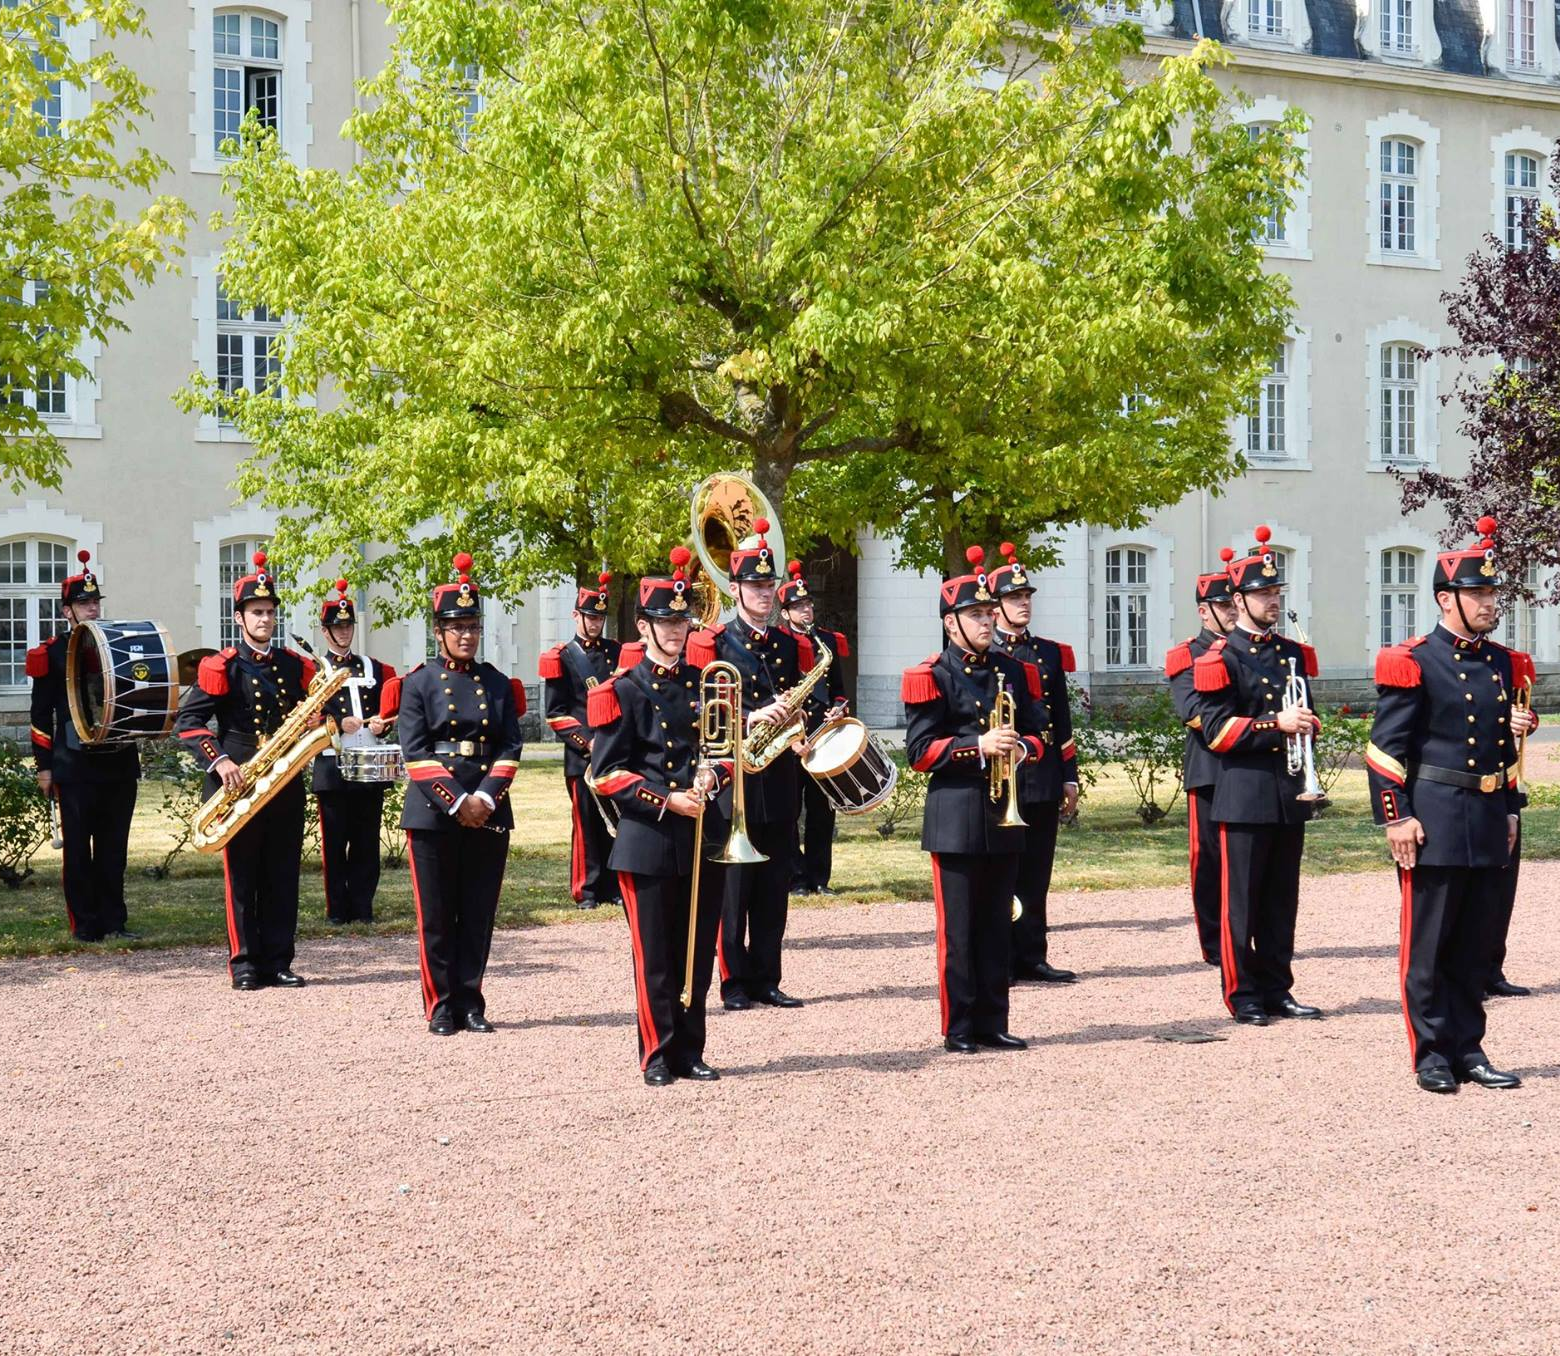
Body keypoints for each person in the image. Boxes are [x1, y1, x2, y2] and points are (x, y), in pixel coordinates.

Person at [1366, 516, 1537, 1093]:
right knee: (1430, 945)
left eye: (1493, 593)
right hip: (1433, 817)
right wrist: (1397, 815)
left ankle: (1470, 1047)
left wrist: (1511, 807)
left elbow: (1501, 747)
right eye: (1479, 594)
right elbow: (1384, 751)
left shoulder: (1500, 663)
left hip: (1489, 816)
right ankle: (1431, 1054)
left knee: (1475, 942)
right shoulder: (1413, 659)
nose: (1491, 604)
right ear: (1447, 599)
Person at [589, 547, 735, 1085]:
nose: (677, 630)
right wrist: (666, 797)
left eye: (682, 620)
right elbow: (605, 774)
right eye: (665, 621)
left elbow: (727, 756)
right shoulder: (621, 691)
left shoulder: (706, 683)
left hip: (702, 834)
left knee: (696, 949)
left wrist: (712, 779)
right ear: (643, 626)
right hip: (647, 839)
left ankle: (690, 1049)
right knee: (655, 956)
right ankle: (656, 1053)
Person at [901, 545, 1049, 1054]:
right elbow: (919, 752)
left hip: (1005, 813)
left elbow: (1039, 736)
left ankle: (993, 1019)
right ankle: (959, 1026)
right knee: (960, 931)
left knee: (997, 922)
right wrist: (977, 747)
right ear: (950, 624)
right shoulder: (931, 675)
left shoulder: (1013, 670)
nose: (987, 622)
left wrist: (1021, 747)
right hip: (958, 816)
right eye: (975, 615)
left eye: (989, 613)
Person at [1187, 525, 1323, 1027]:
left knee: (1281, 900)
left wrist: (1307, 725)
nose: (1272, 600)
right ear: (1238, 599)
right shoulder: (1218, 658)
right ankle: (1242, 993)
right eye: (1264, 593)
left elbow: (1305, 710)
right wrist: (1276, 724)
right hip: (1242, 793)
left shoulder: (1289, 653)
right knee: (1240, 902)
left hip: (1288, 790)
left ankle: (1278, 987)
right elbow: (1217, 732)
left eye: (1276, 592)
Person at [394, 552, 525, 1035]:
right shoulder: (418, 683)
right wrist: (457, 800)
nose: (466, 634)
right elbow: (415, 751)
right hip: (433, 812)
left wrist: (486, 798)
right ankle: (441, 1004)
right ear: (439, 630)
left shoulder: (496, 682)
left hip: (488, 808)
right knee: (436, 914)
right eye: (456, 626)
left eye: (472, 624)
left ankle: (472, 1001)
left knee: (477, 911)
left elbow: (511, 745)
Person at [687, 518, 811, 1011]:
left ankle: (767, 976)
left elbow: (807, 706)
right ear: (734, 588)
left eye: (769, 585)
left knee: (774, 886)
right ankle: (734, 982)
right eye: (755, 585)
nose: (765, 593)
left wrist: (798, 722)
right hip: (734, 776)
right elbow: (696, 707)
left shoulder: (788, 644)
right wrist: (751, 714)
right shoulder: (713, 642)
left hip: (778, 774)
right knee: (733, 888)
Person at [175, 551, 314, 990]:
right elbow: (189, 722)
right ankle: (245, 964)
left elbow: (316, 711)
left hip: (284, 780)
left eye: (270, 613)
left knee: (282, 873)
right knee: (243, 875)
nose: (265, 620)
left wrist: (315, 721)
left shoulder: (294, 665)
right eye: (256, 613)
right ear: (239, 618)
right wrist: (220, 760)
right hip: (236, 781)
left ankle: (278, 960)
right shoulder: (222, 666)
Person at [27, 550, 140, 943]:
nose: (92, 609)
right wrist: (44, 766)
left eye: (94, 602)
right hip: (73, 765)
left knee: (114, 849)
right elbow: (40, 716)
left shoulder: (121, 647)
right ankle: (85, 924)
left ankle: (114, 920)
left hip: (119, 762)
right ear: (67, 611)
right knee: (77, 851)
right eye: (83, 603)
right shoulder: (52, 654)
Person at [989, 540, 1079, 984]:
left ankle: (1033, 954)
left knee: (1038, 870)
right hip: (1004, 776)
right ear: (997, 605)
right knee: (1005, 870)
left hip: (1042, 774)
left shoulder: (1047, 652)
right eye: (1013, 598)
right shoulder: (987, 654)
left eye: (1026, 598)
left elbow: (1061, 719)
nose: (1023, 605)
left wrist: (1070, 777)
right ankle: (1001, 958)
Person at [1164, 551, 1238, 966]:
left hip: (1251, 769)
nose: (1231, 611)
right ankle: (1213, 942)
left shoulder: (1250, 651)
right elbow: (1192, 712)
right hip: (1210, 769)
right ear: (1204, 612)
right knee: (1207, 858)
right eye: (1223, 606)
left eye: (1234, 603)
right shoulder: (1187, 655)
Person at [310, 579, 397, 925]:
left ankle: (363, 906)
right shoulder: (315, 670)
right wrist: (334, 722)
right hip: (332, 764)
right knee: (334, 841)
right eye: (337, 627)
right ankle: (337, 909)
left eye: (348, 626)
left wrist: (382, 724)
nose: (344, 632)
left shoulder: (373, 667)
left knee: (365, 839)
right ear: (325, 630)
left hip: (369, 762)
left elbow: (390, 707)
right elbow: (305, 716)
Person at [540, 571, 622, 910]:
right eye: (589, 616)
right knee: (587, 824)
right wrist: (586, 742)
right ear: (576, 615)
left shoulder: (616, 652)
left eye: (599, 617)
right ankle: (586, 889)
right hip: (583, 754)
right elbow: (555, 712)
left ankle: (612, 886)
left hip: (615, 751)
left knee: (616, 822)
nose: (594, 623)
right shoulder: (562, 656)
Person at [777, 559, 848, 896]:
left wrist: (838, 707)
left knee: (823, 811)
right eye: (799, 606)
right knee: (789, 810)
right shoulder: (778, 643)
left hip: (823, 735)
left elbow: (839, 688)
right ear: (786, 611)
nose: (807, 611)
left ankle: (820, 877)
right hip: (790, 737)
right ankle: (795, 876)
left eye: (808, 604)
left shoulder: (828, 642)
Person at [1487, 648, 1536, 999]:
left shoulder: (1505, 661)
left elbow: (1524, 710)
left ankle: (1492, 968)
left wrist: (1525, 719)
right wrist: (1506, 718)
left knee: (1503, 890)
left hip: (1508, 789)